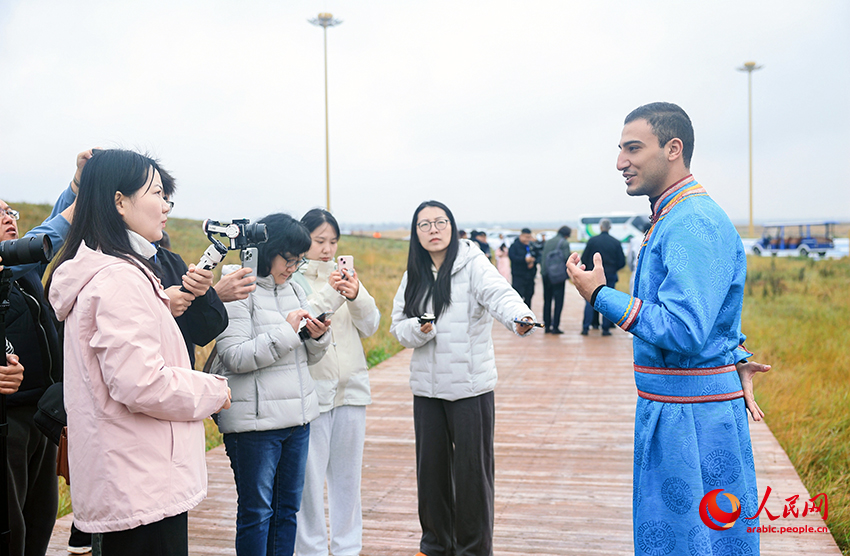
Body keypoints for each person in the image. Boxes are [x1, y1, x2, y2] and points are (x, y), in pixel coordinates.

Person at [567, 102, 770, 555]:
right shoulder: (673, 215)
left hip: (691, 420)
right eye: (620, 150)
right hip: (681, 408)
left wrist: (601, 296)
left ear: (673, 148)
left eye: (633, 148)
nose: (621, 162)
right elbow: (711, 317)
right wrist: (732, 357)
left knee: (692, 543)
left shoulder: (691, 221)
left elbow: (683, 328)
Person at [46, 148, 232, 556]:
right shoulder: (117, 279)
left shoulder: (111, 270)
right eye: (156, 193)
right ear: (119, 201)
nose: (165, 206)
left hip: (133, 477)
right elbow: (141, 383)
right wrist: (214, 391)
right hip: (141, 484)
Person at [390, 200, 536, 556]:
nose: (433, 230)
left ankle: (473, 549)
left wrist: (520, 316)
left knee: (473, 477)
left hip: (471, 389)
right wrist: (420, 329)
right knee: (432, 476)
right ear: (416, 234)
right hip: (427, 391)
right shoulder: (415, 274)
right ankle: (435, 546)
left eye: (440, 222)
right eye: (424, 225)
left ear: (453, 228)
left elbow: (499, 295)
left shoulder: (473, 264)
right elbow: (398, 328)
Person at [210, 212, 331, 556]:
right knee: (257, 514)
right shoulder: (238, 286)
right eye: (289, 259)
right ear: (268, 250)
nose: (293, 268)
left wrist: (317, 337)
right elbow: (234, 356)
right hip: (255, 427)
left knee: (287, 512)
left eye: (299, 261)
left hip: (297, 420)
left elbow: (306, 356)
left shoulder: (292, 287)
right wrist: (288, 331)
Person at [1, 148, 86, 556]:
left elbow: (49, 232)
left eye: (10, 210)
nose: (9, 217)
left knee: (39, 520)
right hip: (8, 423)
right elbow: (53, 230)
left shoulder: (20, 268)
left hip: (42, 416)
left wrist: (78, 184)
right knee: (11, 527)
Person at [292, 209, 381, 556]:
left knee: (348, 482)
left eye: (332, 242)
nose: (327, 250)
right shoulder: (295, 280)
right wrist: (332, 294)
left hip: (352, 391)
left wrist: (356, 294)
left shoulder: (346, 277)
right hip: (314, 394)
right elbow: (303, 323)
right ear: (304, 241)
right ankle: (311, 550)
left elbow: (371, 325)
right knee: (309, 486)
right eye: (319, 241)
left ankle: (348, 548)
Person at [579, 218, 625, 336]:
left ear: (600, 227)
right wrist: (613, 269)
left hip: (593, 274)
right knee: (608, 301)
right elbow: (622, 261)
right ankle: (605, 329)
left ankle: (585, 327)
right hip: (609, 274)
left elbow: (584, 257)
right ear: (610, 227)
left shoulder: (592, 241)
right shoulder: (615, 242)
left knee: (590, 300)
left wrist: (590, 268)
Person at [540, 225, 571, 334]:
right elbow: (567, 259)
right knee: (558, 301)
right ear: (567, 235)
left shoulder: (548, 241)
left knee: (547, 300)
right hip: (558, 276)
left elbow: (543, 257)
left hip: (546, 274)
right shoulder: (564, 243)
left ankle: (547, 325)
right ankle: (555, 326)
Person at [508, 228, 536, 307]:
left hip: (530, 276)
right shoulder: (514, 246)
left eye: (529, 237)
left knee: (528, 297)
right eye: (526, 237)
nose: (528, 239)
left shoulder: (531, 246)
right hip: (519, 276)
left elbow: (537, 255)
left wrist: (532, 261)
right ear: (521, 236)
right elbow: (513, 257)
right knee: (518, 298)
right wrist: (524, 260)